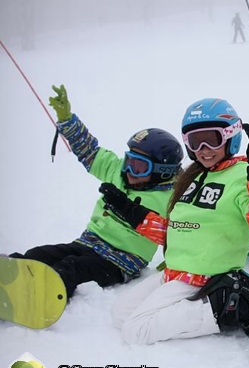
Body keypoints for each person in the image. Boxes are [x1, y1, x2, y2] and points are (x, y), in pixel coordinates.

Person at [111, 98, 249, 345]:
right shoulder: (193, 177)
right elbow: (177, 232)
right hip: (175, 272)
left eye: (211, 139)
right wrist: (130, 211)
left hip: (205, 277)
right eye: (196, 141)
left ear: (230, 136)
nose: (204, 148)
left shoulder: (242, 176)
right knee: (120, 314)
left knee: (136, 331)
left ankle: (230, 307)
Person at [8, 85, 183, 299]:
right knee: (39, 254)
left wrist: (174, 259)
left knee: (71, 268)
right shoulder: (117, 170)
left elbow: (173, 234)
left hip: (120, 261)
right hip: (88, 242)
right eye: (129, 161)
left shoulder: (171, 200)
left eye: (139, 166)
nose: (128, 170)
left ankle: (35, 297)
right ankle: (8, 273)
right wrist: (67, 120)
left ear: (161, 172)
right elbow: (89, 150)